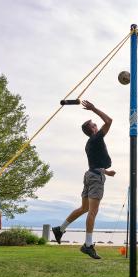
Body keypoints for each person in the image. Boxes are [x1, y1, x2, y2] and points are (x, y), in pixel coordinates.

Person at [52, 100, 115, 259]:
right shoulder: (96, 138)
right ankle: (88, 245)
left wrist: (106, 172)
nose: (97, 125)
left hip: (90, 175)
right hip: (94, 178)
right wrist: (93, 108)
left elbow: (95, 164)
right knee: (92, 212)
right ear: (92, 129)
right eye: (94, 124)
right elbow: (109, 121)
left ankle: (60, 228)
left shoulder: (90, 143)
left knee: (84, 208)